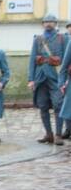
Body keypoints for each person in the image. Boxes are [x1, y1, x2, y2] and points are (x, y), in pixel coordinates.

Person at [28, 14, 68, 145]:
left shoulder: (63, 38)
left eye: (51, 22)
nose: (48, 24)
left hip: (56, 77)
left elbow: (67, 59)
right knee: (43, 105)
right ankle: (48, 134)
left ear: (56, 24)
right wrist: (31, 79)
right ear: (42, 24)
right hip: (40, 77)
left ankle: (58, 134)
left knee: (58, 105)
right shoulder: (38, 39)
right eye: (46, 22)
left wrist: (66, 78)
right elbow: (32, 59)